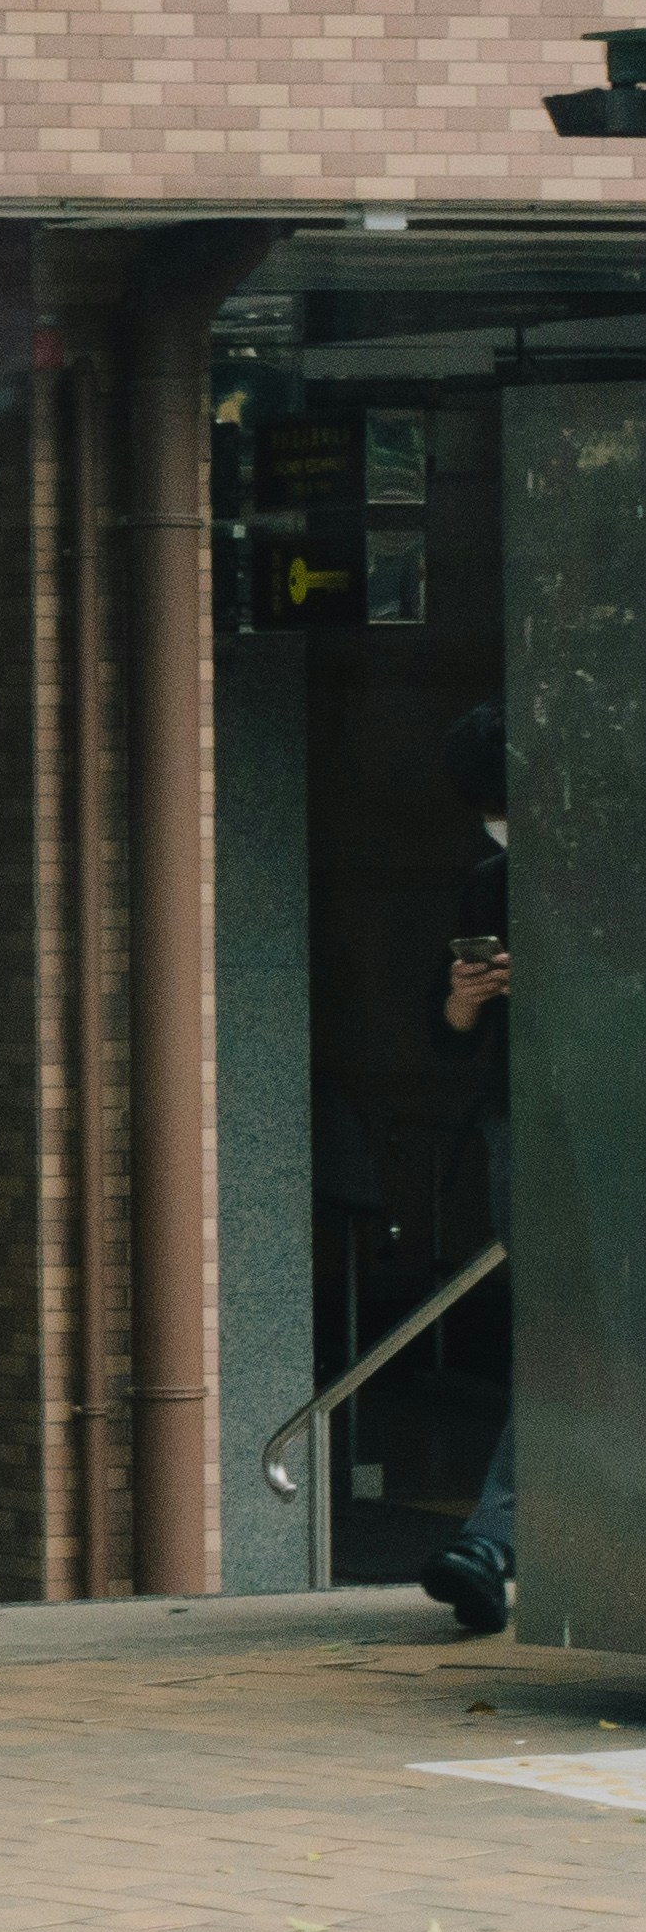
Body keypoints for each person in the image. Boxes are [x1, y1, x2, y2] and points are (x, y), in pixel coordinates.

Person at [424, 702, 516, 1637]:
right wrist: (465, 1001)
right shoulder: (488, 884)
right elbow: (449, 1044)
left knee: (580, 1344)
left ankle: (490, 1541)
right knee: (566, 1338)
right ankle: (490, 1543)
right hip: (520, 1121)